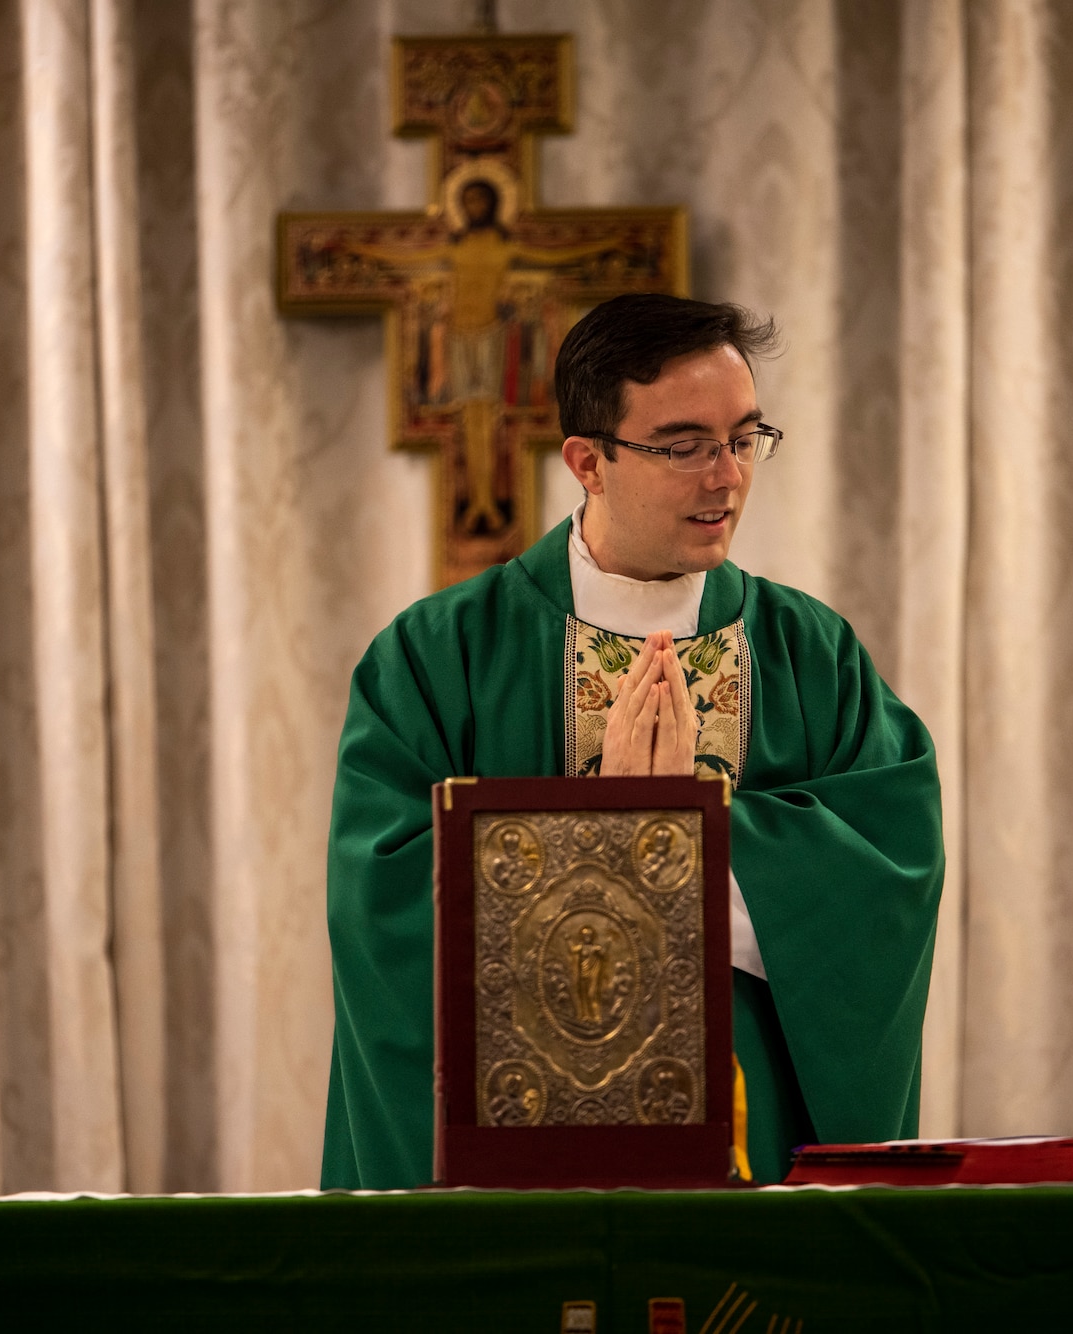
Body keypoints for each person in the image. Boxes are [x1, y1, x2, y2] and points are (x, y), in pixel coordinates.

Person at [321, 294, 945, 1188]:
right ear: (589, 462)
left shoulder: (811, 655)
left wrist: (685, 841)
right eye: (684, 445)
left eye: (745, 438)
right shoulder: (439, 657)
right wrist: (598, 837)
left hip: (750, 1144)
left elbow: (887, 875)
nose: (725, 476)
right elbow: (379, 903)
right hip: (521, 1164)